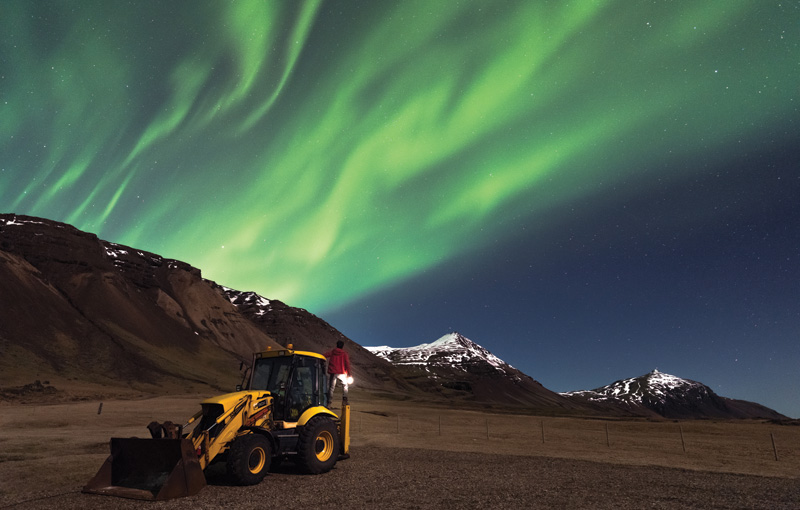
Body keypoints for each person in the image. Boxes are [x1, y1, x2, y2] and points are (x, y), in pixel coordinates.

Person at [323, 340, 351, 406]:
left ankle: (328, 403)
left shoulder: (333, 352)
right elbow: (347, 363)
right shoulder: (344, 354)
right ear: (342, 346)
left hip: (333, 372)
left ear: (337, 345)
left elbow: (325, 355)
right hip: (342, 373)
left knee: (331, 388)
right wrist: (349, 374)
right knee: (345, 386)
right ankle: (344, 400)